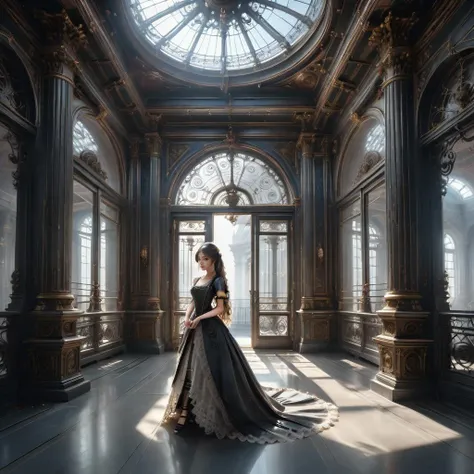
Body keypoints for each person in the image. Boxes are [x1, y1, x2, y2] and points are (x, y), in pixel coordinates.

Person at [161, 242, 338, 443]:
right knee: (190, 370)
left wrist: (199, 318)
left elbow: (219, 309)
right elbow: (192, 302)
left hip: (211, 331)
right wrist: (187, 317)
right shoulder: (197, 279)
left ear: (214, 260)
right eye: (199, 258)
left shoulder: (218, 281)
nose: (202, 262)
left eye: (206, 259)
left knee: (211, 372)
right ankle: (187, 411)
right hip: (193, 330)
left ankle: (198, 413)